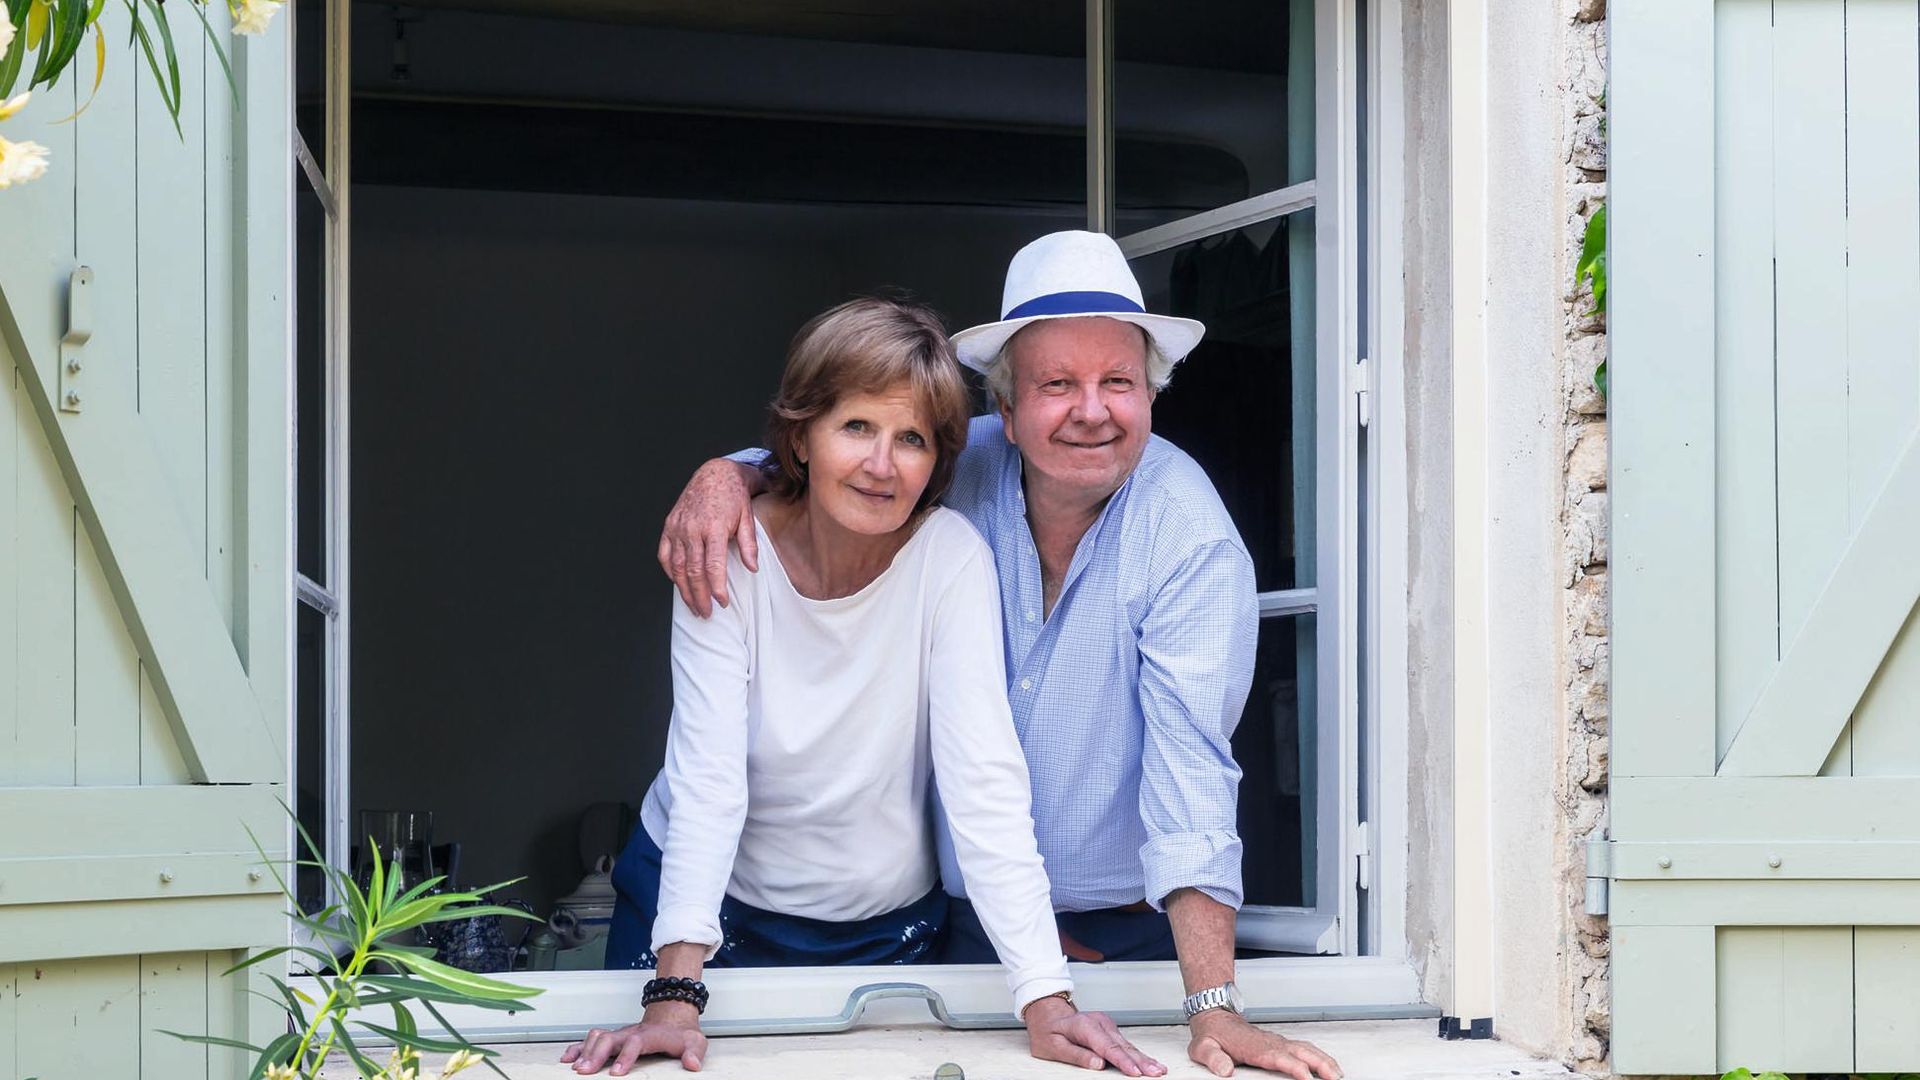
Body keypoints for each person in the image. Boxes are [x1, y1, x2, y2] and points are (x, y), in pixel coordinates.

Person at [656, 234, 1344, 1080]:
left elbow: (1191, 776)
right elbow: (846, 448)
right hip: (971, 918)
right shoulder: (956, 461)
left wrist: (1212, 1007)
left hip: (1127, 926)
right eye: (1058, 384)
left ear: (1152, 398)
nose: (1090, 411)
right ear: (1007, 412)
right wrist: (726, 473)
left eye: (1118, 383)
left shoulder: (1189, 541)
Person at [563, 297, 1164, 1078]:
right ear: (801, 437)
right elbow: (709, 777)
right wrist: (674, 993)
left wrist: (1046, 1000)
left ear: (937, 463)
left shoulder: (949, 558)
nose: (882, 464)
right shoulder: (727, 549)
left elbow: (982, 779)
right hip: (696, 917)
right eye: (856, 428)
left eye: (911, 439)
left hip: (884, 930)